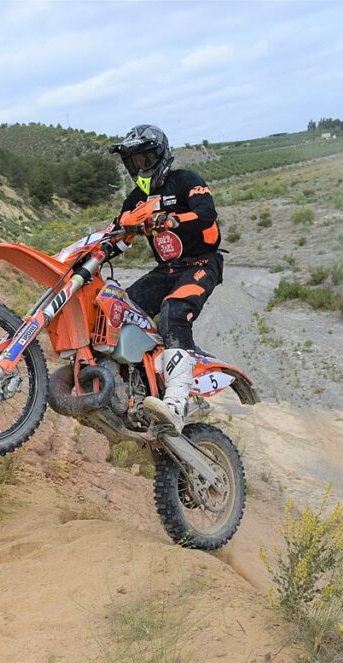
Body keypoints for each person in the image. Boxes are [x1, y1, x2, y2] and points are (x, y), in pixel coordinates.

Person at [110, 124, 222, 435]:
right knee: (118, 309)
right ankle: (134, 389)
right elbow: (118, 234)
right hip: (167, 269)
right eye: (133, 162)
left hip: (202, 262)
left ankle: (176, 403)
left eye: (145, 159)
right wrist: (102, 245)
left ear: (160, 156)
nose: (140, 167)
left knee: (174, 310)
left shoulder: (186, 180)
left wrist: (171, 219)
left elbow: (207, 214)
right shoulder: (136, 197)